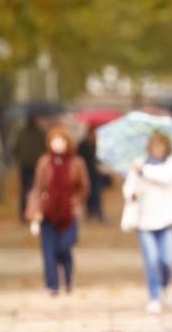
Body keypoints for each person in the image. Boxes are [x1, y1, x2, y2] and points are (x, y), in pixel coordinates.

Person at [122, 132, 172, 314]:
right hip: (145, 220)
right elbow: (128, 187)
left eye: (161, 146)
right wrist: (133, 194)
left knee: (166, 260)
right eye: (154, 146)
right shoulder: (139, 163)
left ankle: (166, 285)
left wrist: (143, 171)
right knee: (151, 260)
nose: (157, 150)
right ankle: (154, 297)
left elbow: (165, 178)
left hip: (167, 219)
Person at [25, 126, 89, 296]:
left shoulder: (77, 163)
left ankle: (68, 277)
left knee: (64, 248)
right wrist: (36, 209)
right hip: (48, 211)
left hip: (69, 212)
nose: (57, 144)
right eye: (54, 141)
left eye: (61, 140)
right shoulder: (44, 162)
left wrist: (73, 201)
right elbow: (38, 188)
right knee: (48, 251)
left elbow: (84, 188)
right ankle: (52, 285)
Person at [13, 114, 47, 223]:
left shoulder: (21, 133)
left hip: (25, 165)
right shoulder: (41, 133)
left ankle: (24, 214)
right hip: (37, 166)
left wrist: (19, 158)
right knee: (36, 189)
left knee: (24, 190)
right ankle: (35, 212)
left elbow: (15, 148)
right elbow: (46, 148)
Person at [78, 126, 107, 222]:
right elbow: (80, 159)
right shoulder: (83, 144)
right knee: (88, 194)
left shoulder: (98, 144)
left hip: (95, 174)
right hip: (86, 173)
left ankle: (98, 213)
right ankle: (90, 213)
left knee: (97, 194)